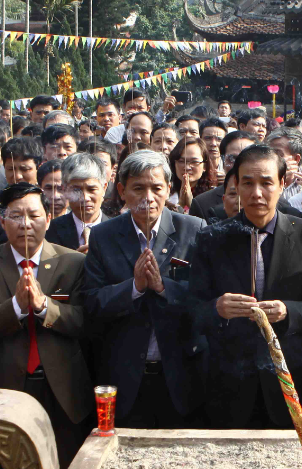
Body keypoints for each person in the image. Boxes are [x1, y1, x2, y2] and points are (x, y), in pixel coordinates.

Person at [188, 144, 302, 428]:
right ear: (236, 185)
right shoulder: (213, 238)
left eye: (266, 183)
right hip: (229, 381)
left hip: (289, 377)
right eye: (248, 183)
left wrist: (287, 311)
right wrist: (217, 308)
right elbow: (191, 309)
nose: (256, 194)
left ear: (282, 184)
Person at [0, 183, 92, 468]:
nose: (26, 224)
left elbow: (86, 322)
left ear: (48, 220)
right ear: (2, 221)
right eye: (16, 216)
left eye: (34, 215)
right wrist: (15, 308)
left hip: (61, 388)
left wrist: (43, 306)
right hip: (3, 390)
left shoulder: (73, 262)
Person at [82, 150, 207, 428]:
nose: (148, 197)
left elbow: (206, 299)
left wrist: (164, 288)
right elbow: (90, 301)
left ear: (169, 189)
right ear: (121, 191)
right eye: (138, 188)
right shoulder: (104, 235)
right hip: (124, 377)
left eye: (156, 188)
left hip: (180, 375)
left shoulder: (194, 230)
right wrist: (135, 287)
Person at [45, 153, 110, 252]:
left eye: (91, 189)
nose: (85, 198)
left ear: (104, 188)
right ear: (64, 189)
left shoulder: (118, 231)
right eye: (76, 190)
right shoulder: (50, 231)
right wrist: (74, 262)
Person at [189, 131, 259, 222]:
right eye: (232, 159)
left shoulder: (275, 202)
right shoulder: (202, 204)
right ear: (222, 159)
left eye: (247, 159)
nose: (239, 165)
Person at [168, 137, 216, 211]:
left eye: (194, 162)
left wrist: (192, 205)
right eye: (181, 161)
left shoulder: (213, 196)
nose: (187, 167)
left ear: (205, 166)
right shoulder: (166, 194)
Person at [266, 128, 302, 200]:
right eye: (268, 152)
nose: (270, 158)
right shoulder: (262, 178)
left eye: (277, 153)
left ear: (296, 159)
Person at [200, 118, 228, 185]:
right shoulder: (193, 165)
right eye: (208, 138)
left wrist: (229, 180)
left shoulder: (230, 165)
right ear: (200, 139)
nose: (213, 144)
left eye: (219, 139)